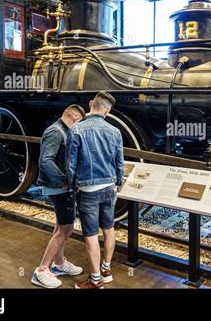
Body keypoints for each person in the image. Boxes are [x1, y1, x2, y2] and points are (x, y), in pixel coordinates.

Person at [66, 91, 124, 289]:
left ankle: (95, 281)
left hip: (88, 190)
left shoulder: (76, 130)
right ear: (107, 112)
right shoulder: (115, 131)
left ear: (91, 104)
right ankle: (106, 270)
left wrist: (73, 187)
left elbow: (71, 165)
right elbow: (119, 162)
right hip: (109, 187)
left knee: (91, 235)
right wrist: (118, 184)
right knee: (109, 229)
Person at [32, 104, 86, 288]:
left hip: (60, 187)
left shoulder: (61, 130)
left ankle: (60, 263)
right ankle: (41, 270)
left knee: (60, 227)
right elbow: (45, 160)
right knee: (66, 229)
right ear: (74, 118)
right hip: (59, 188)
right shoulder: (55, 132)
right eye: (80, 122)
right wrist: (63, 180)